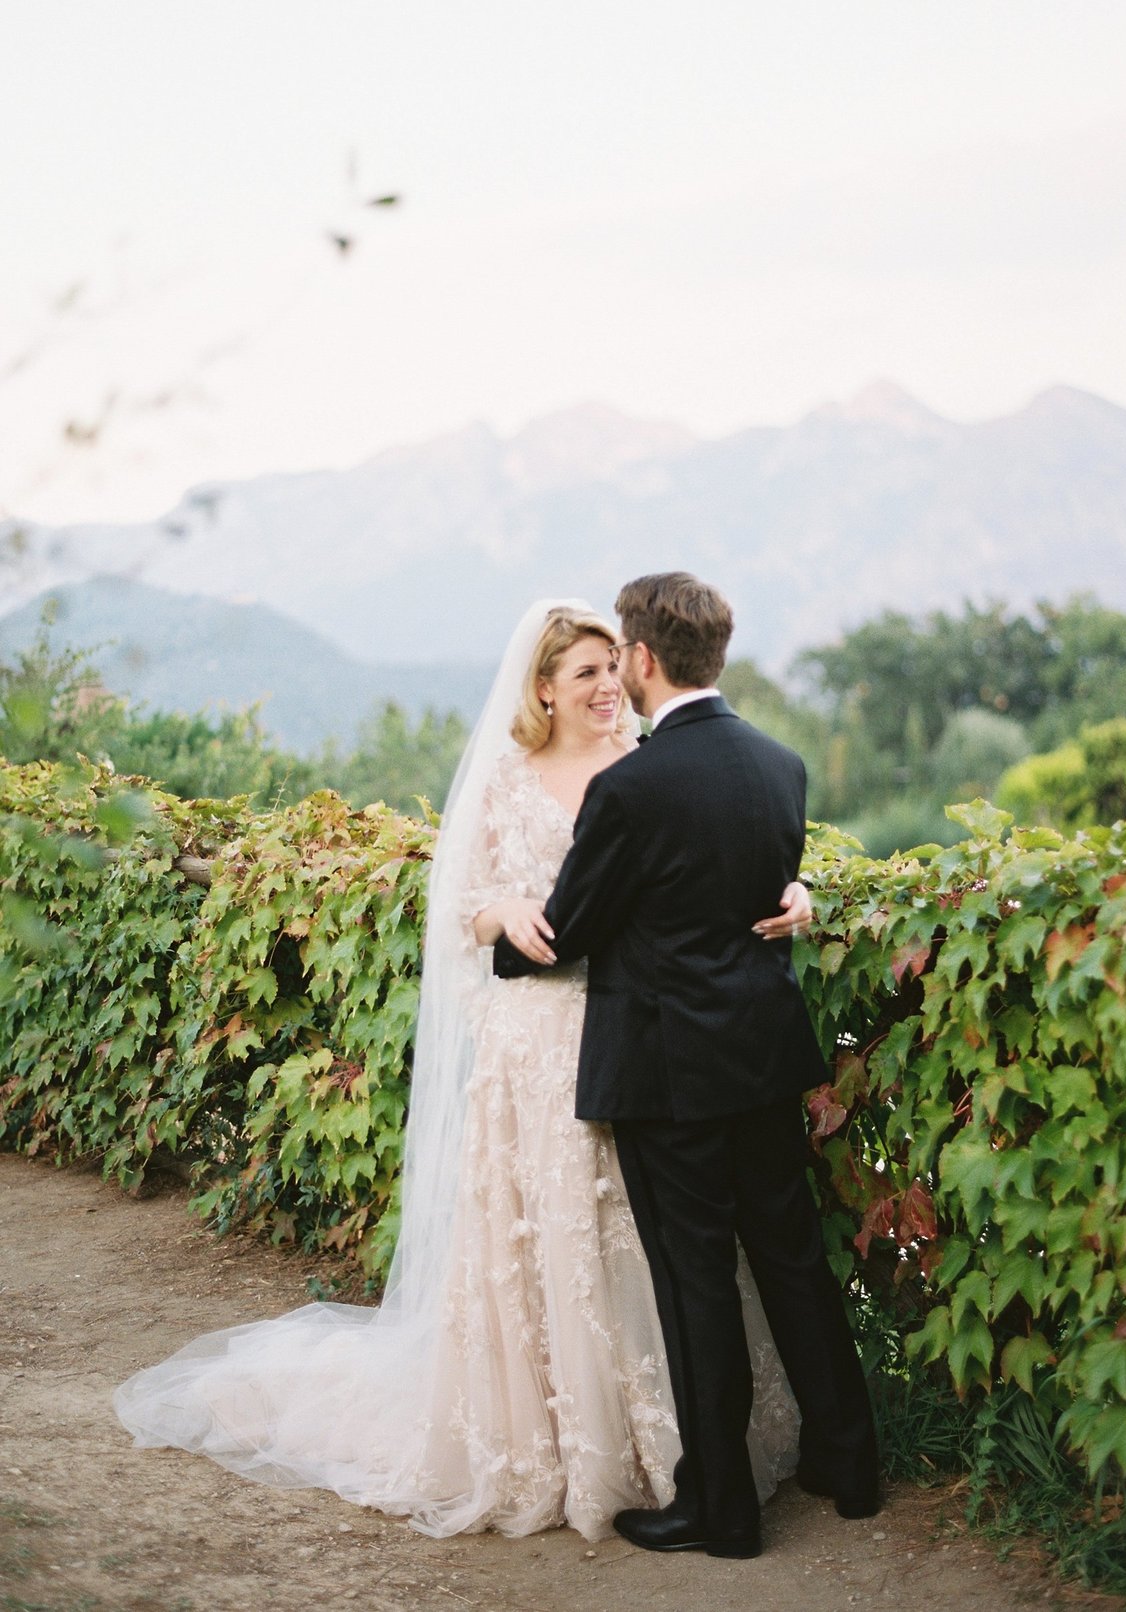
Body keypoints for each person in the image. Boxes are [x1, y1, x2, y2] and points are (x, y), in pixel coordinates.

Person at [113, 599, 812, 1542]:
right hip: (535, 1041)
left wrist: (798, 887)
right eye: (587, 676)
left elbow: (731, 851)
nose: (610, 689)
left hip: (644, 1038)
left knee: (648, 1247)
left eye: (615, 668)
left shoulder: (653, 768)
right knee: (548, 1236)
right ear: (543, 691)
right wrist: (501, 914)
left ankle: (683, 1451)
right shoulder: (507, 780)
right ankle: (554, 1444)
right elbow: (464, 904)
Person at [493, 574, 879, 1559]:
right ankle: (851, 1460)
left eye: (619, 649)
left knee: (696, 1279)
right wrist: (797, 899)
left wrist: (503, 935)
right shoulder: (777, 765)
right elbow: (756, 888)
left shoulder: (629, 788)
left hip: (668, 1070)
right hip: (761, 1051)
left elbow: (564, 931)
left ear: (644, 659)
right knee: (792, 1257)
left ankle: (722, 1508)